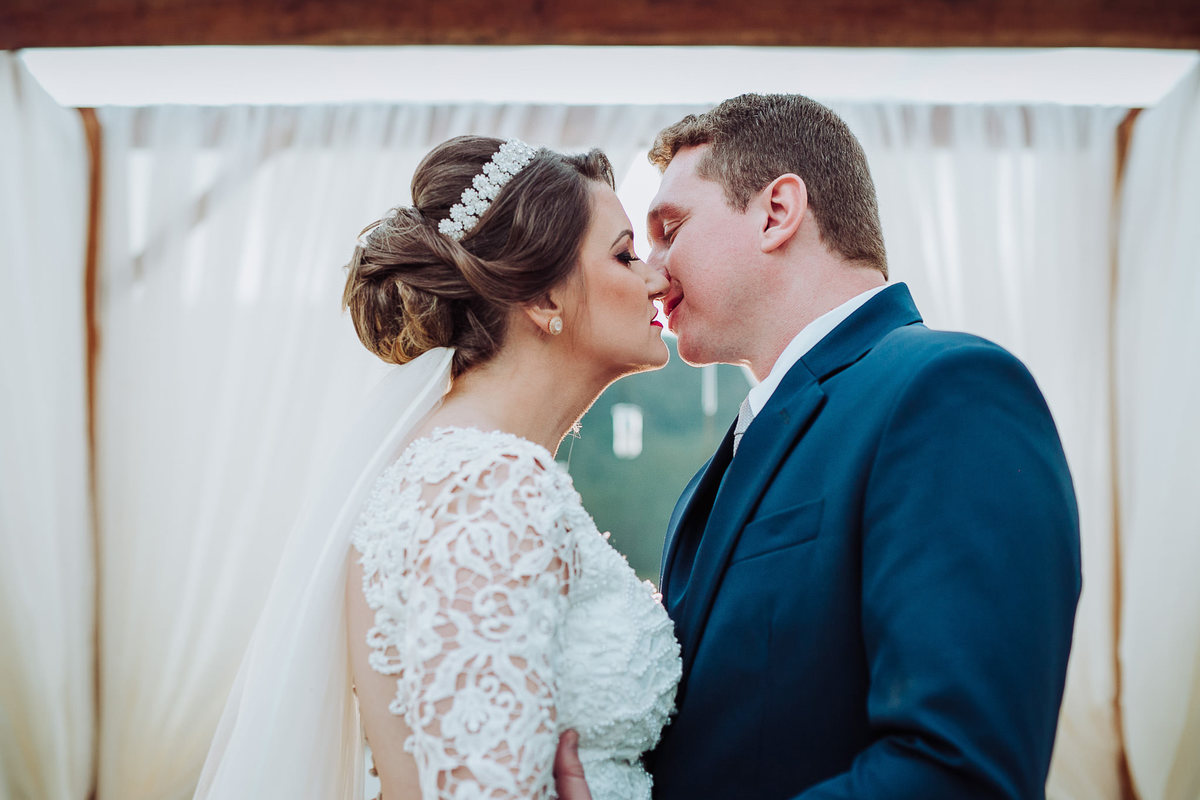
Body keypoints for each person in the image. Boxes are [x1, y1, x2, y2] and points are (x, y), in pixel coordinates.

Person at [193, 136, 680, 800]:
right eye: (625, 255)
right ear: (543, 299)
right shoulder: (488, 486)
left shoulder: (468, 468)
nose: (657, 277)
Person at [636, 94, 1081, 798]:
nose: (652, 270)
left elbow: (957, 772)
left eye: (669, 228)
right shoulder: (717, 469)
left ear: (777, 211)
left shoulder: (948, 391)